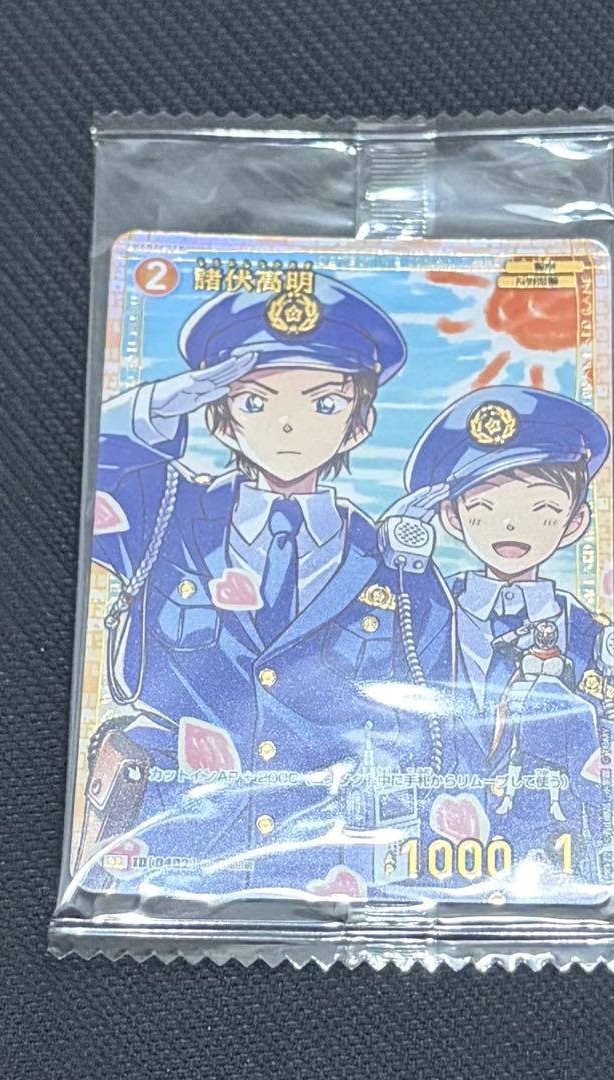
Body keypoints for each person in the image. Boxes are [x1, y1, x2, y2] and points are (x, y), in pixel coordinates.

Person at [77, 275, 454, 899]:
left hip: (329, 862)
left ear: (359, 425)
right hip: (167, 853)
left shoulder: (388, 562)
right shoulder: (163, 513)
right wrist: (159, 408)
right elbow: (92, 465)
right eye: (255, 401)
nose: (286, 425)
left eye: (324, 405)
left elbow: (440, 708)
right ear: (222, 419)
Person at [401, 386, 614, 884]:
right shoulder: (419, 616)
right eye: (485, 506)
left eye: (543, 508)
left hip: (554, 862)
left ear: (575, 522)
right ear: (451, 517)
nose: (512, 524)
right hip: (421, 860)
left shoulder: (591, 637)